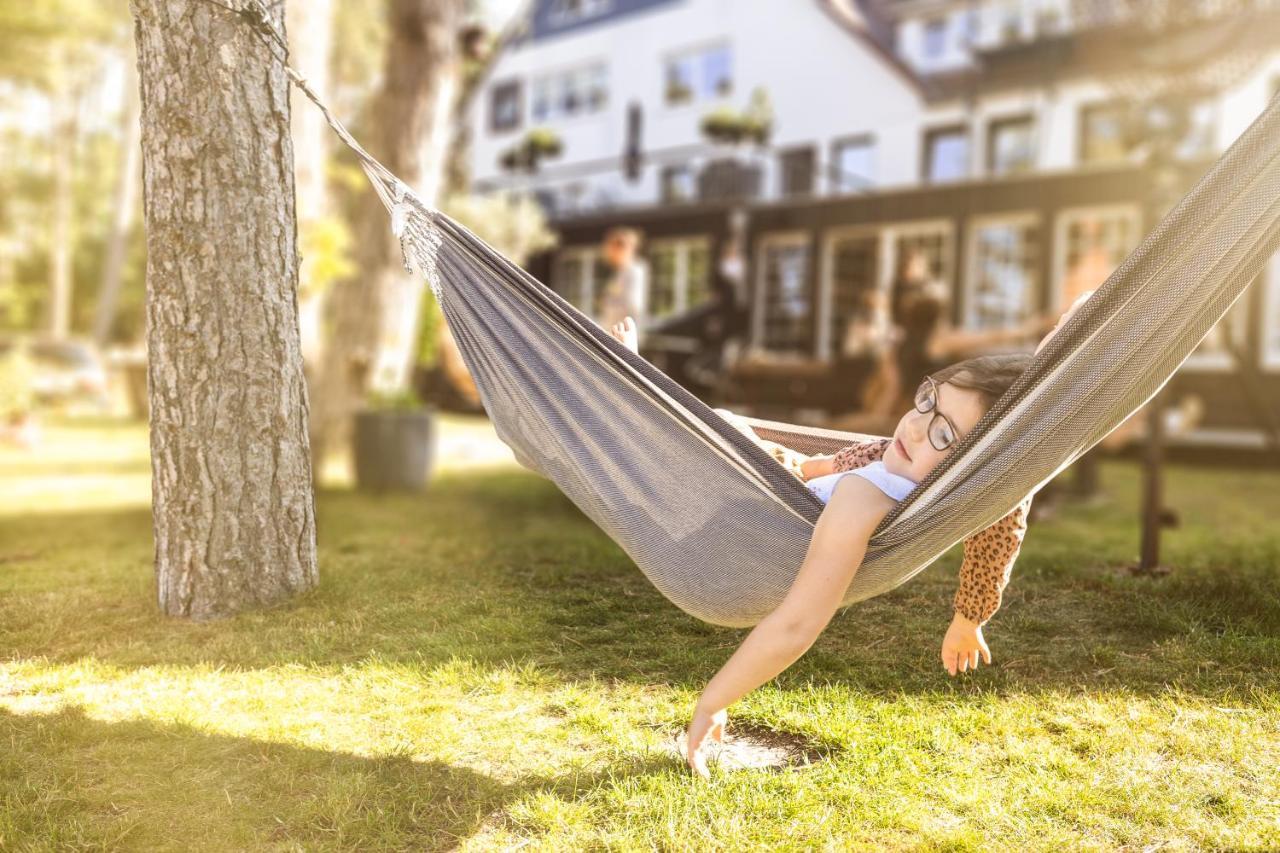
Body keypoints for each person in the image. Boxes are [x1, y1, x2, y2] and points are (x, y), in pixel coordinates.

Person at [608, 290, 1091, 778]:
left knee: (720, 430)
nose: (918, 427)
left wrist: (715, 699)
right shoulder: (900, 463)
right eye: (927, 401)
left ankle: (630, 398)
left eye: (944, 434)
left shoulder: (868, 498)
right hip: (774, 477)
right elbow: (1034, 411)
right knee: (730, 428)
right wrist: (969, 618)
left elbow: (798, 623)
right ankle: (637, 396)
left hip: (726, 516)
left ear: (973, 468)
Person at [595, 227, 649, 339]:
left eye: (610, 249)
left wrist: (609, 303)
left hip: (624, 337)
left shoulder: (634, 271)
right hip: (614, 335)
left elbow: (633, 305)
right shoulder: (620, 272)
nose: (608, 254)